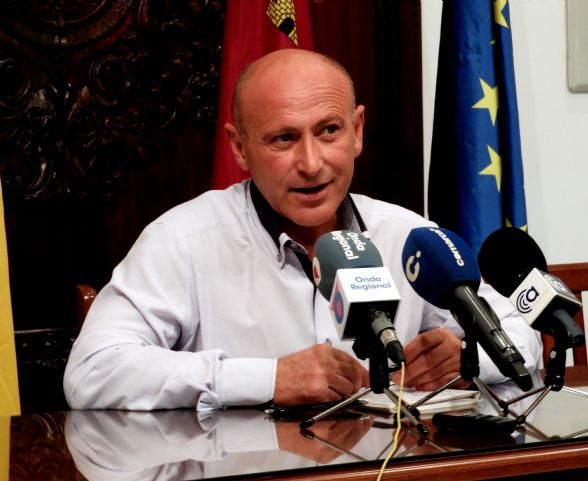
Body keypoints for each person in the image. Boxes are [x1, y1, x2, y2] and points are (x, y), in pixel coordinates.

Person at [63, 49, 542, 410]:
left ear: (357, 130)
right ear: (239, 147)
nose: (311, 164)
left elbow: (524, 338)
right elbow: (92, 371)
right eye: (284, 138)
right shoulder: (184, 240)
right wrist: (269, 379)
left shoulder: (408, 235)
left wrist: (467, 356)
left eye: (329, 131)